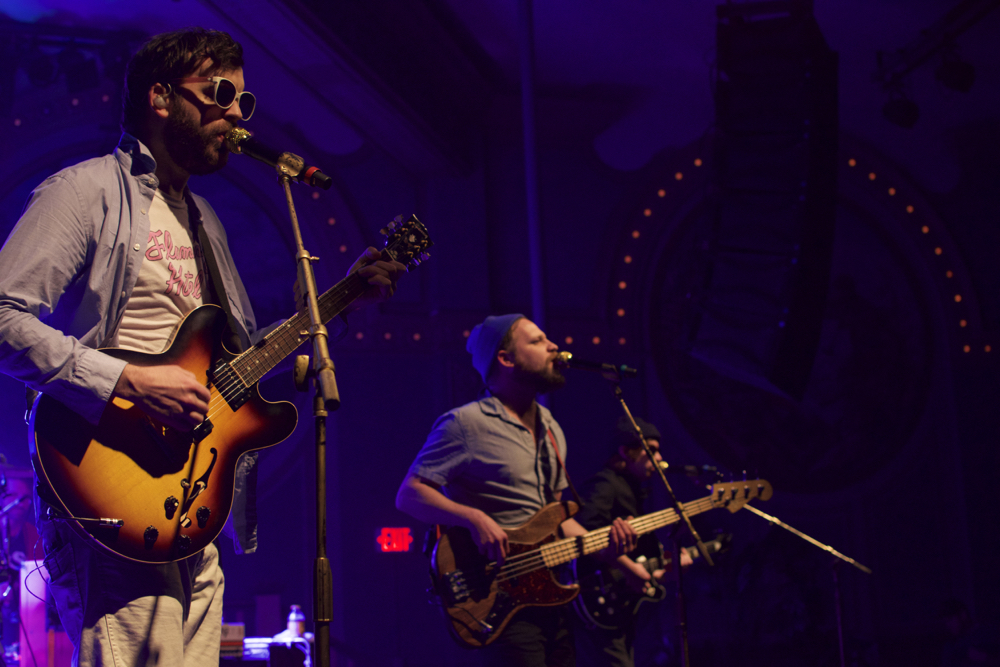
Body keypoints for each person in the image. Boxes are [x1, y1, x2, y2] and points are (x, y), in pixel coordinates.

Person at [0, 27, 405, 667]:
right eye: (219, 94)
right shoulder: (84, 193)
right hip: (107, 487)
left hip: (188, 502)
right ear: (160, 97)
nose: (235, 116)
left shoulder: (203, 220)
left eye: (244, 104)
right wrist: (127, 381)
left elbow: (232, 368)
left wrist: (344, 298)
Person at [396, 313, 638, 667]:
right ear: (505, 358)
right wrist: (474, 518)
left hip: (550, 597)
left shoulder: (552, 427)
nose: (554, 346)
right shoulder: (466, 423)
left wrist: (614, 552)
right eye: (538, 341)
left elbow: (555, 518)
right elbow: (410, 493)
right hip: (496, 596)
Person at [572, 416, 690, 667]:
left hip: (619, 605)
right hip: (595, 598)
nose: (659, 459)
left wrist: (666, 565)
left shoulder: (633, 489)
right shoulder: (606, 483)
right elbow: (582, 533)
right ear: (626, 452)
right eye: (652, 450)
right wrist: (628, 568)